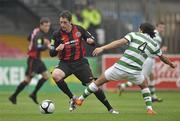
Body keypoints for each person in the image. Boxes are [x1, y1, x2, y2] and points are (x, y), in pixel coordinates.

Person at [74, 23, 176, 115]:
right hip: (135, 72)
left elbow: (119, 42)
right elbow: (162, 57)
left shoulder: (134, 35)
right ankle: (149, 109)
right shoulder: (154, 45)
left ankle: (80, 99)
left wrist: (102, 48)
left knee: (97, 83)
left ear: (141, 30)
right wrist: (171, 64)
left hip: (119, 68)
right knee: (144, 86)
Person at [49, 10, 118, 114]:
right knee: (55, 75)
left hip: (80, 63)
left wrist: (91, 41)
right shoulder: (56, 34)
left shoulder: (79, 29)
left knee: (93, 86)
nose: (62, 25)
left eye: (65, 22)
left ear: (70, 21)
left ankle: (110, 108)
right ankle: (72, 98)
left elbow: (91, 40)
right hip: (65, 63)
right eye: (61, 22)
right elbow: (51, 53)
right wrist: (57, 49)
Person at [118, 22, 167, 102]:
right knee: (142, 78)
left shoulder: (151, 34)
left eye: (163, 27)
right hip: (148, 59)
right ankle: (124, 85)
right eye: (161, 27)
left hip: (146, 58)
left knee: (151, 76)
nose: (162, 29)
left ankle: (153, 96)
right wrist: (161, 50)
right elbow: (152, 49)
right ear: (156, 27)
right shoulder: (157, 37)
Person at [9, 17, 51, 104]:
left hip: (37, 59)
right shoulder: (39, 34)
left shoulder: (35, 30)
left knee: (46, 76)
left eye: (48, 26)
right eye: (46, 26)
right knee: (27, 80)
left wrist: (41, 41)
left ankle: (33, 93)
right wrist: (47, 46)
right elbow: (38, 47)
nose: (47, 28)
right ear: (41, 25)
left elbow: (29, 38)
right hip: (33, 60)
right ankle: (13, 96)